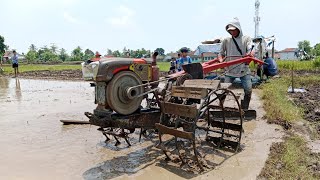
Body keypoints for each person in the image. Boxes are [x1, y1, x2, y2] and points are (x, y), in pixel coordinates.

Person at [219, 18, 254, 110]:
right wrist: (221, 61)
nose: (232, 32)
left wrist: (250, 53)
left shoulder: (246, 39)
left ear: (238, 29)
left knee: (248, 90)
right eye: (230, 31)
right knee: (224, 90)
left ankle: (245, 108)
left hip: (243, 69)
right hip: (230, 70)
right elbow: (220, 54)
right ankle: (220, 106)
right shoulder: (226, 40)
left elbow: (251, 49)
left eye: (233, 30)